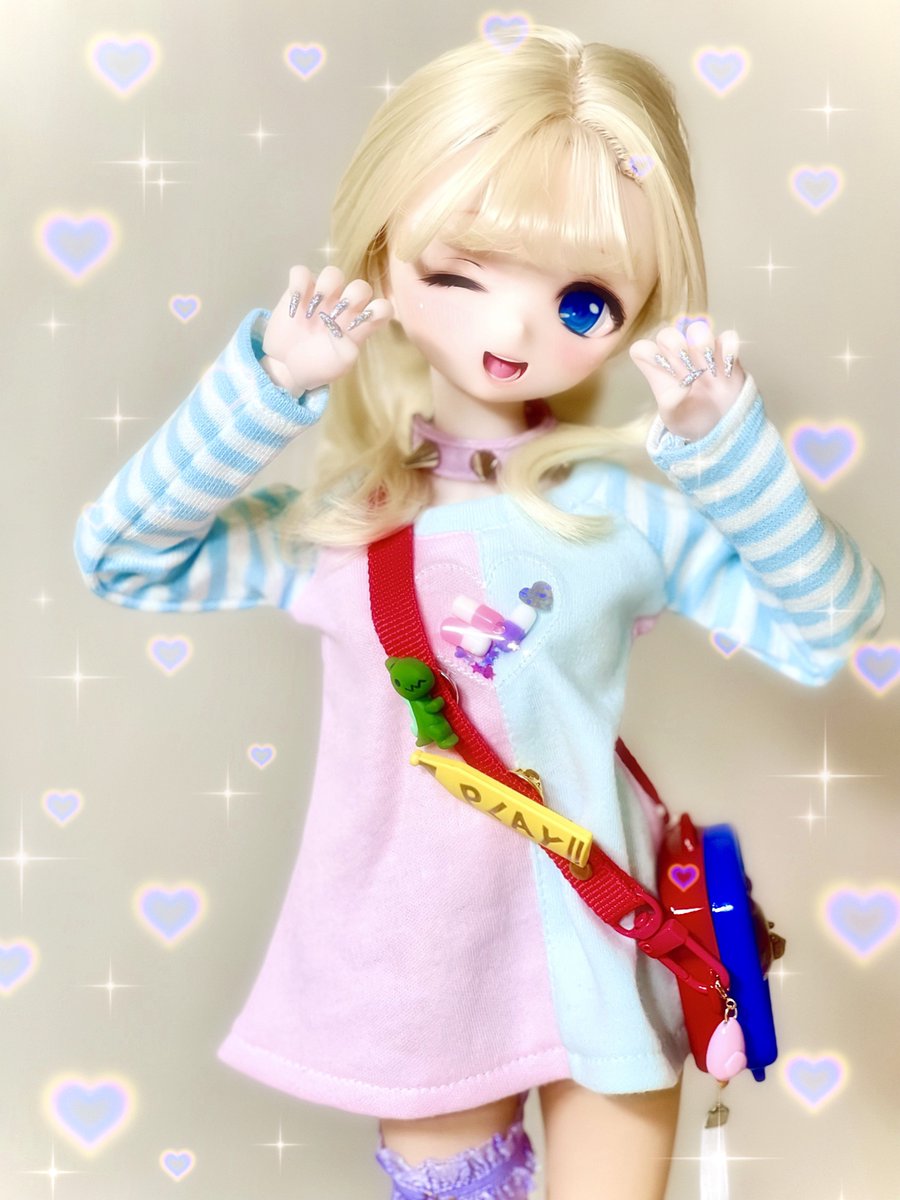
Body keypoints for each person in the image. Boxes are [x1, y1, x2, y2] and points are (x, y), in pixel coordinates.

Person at [73, 25, 884, 1200]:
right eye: (462, 274)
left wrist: (727, 450)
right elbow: (123, 558)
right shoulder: (345, 524)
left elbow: (829, 625)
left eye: (585, 300)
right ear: (384, 256)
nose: (512, 333)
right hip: (421, 972)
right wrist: (268, 386)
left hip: (605, 944)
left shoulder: (619, 511)